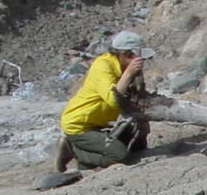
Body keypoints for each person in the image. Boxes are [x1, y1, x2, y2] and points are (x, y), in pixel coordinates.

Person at [55, 30, 153, 171]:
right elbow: (113, 100)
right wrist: (129, 73)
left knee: (136, 145)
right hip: (79, 125)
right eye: (138, 56)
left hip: (99, 122)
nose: (142, 61)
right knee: (120, 156)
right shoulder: (103, 66)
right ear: (125, 55)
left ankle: (87, 163)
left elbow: (138, 95)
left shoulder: (125, 67)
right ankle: (72, 149)